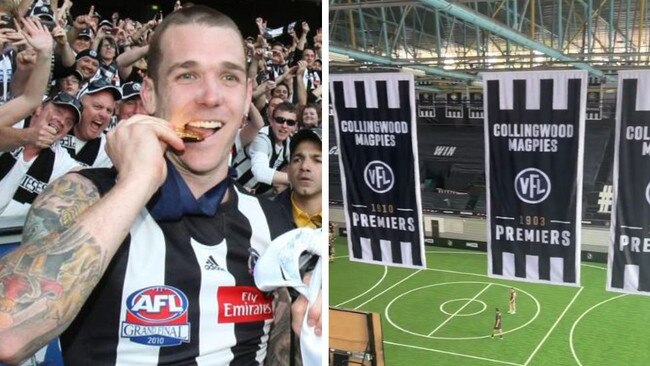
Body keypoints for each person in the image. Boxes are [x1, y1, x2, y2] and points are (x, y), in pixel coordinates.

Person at [0, 6, 320, 365]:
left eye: (229, 78)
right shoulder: (83, 197)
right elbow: (7, 334)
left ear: (247, 98)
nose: (211, 96)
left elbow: (276, 352)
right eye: (187, 75)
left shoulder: (273, 224)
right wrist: (137, 182)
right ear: (149, 94)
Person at [0, 92, 82, 217]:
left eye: (69, 122)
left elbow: (85, 174)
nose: (61, 121)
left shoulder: (59, 156)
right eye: (58, 111)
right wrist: (28, 136)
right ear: (40, 108)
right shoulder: (14, 124)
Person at [233, 101, 297, 196]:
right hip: (230, 188)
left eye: (290, 122)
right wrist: (297, 179)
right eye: (280, 120)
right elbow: (260, 173)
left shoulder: (288, 144)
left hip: (248, 195)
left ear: (295, 126)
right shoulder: (261, 138)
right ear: (271, 121)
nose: (284, 125)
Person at [60, 78, 121, 167]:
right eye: (98, 107)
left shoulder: (109, 151)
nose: (104, 115)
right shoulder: (58, 127)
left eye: (109, 110)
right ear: (80, 106)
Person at [275, 128, 322, 228]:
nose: (304, 166)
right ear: (288, 169)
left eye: (317, 160)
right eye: (297, 160)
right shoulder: (265, 217)